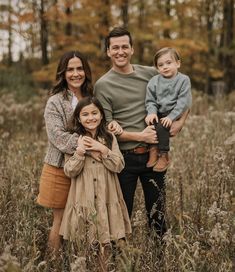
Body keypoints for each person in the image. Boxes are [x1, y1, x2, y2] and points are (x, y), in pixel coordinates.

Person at [94, 27, 189, 238]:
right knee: (120, 214)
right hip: (123, 160)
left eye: (124, 47)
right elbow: (105, 129)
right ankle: (120, 261)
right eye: (115, 48)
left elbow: (183, 90)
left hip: (153, 156)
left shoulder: (151, 73)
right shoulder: (103, 85)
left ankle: (159, 261)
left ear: (132, 49)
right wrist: (140, 136)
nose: (120, 52)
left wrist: (180, 121)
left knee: (158, 214)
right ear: (108, 51)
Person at [59, 97, 131, 265]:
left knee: (104, 240)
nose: (90, 118)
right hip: (83, 196)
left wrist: (103, 149)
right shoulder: (75, 139)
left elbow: (119, 165)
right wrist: (80, 152)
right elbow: (69, 171)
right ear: (78, 118)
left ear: (101, 115)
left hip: (106, 195)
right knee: (84, 241)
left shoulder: (109, 137)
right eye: (85, 114)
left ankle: (103, 268)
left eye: (94, 113)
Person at [37, 51, 93, 252]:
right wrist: (87, 144)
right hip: (59, 168)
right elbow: (57, 136)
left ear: (86, 71)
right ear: (63, 72)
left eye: (80, 68)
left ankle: (80, 261)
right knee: (59, 221)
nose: (76, 73)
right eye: (70, 69)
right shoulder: (55, 101)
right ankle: (55, 264)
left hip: (88, 168)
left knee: (86, 219)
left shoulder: (91, 97)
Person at [145, 47, 192, 172]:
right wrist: (151, 113)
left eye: (169, 63)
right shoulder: (154, 82)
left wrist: (171, 117)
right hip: (159, 111)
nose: (165, 67)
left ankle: (163, 154)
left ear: (178, 63)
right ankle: (153, 149)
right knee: (151, 122)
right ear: (157, 68)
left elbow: (183, 102)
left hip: (174, 111)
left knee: (162, 125)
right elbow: (151, 100)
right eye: (161, 65)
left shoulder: (183, 80)